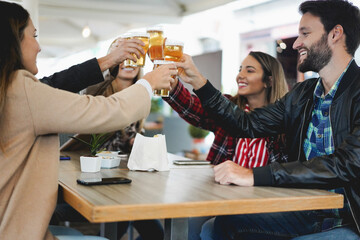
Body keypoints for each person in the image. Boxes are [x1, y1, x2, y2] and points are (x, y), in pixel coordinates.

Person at [176, 0, 360, 239]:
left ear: (335, 34)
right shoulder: (303, 94)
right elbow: (246, 124)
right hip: (305, 212)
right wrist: (198, 81)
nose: (297, 43)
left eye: (305, 33)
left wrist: (255, 174)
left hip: (350, 221)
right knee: (216, 227)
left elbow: (347, 163)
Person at [0, 2, 176, 240]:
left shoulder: (8, 88)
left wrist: (107, 60)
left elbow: (51, 84)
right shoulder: (19, 88)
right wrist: (150, 83)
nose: (39, 46)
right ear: (13, 41)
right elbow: (107, 111)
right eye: (34, 35)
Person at [163, 51, 288, 240]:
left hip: (265, 203)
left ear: (269, 81)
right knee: (192, 220)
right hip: (222, 198)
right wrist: (171, 87)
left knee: (209, 228)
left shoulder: (285, 120)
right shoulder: (227, 106)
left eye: (250, 70)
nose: (240, 75)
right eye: (240, 69)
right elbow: (192, 107)